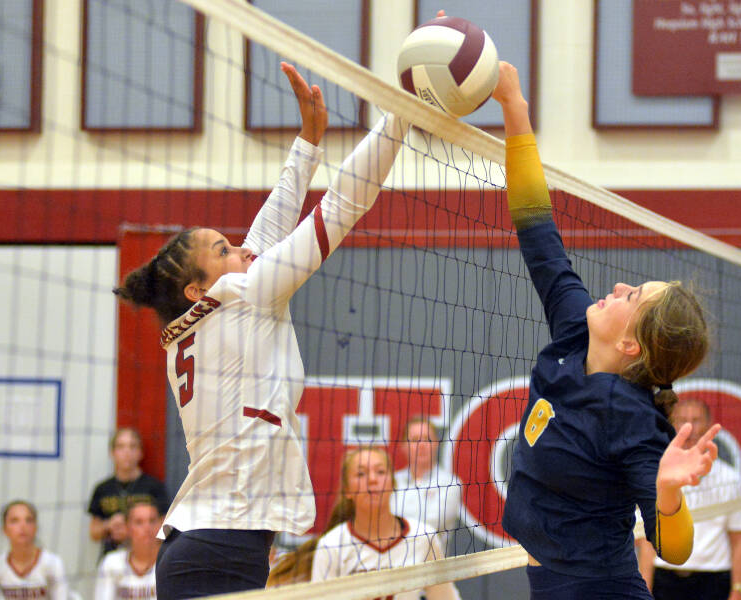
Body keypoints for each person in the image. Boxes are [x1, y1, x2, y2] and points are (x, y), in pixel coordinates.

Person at [113, 61, 409, 599]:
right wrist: (400, 115)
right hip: (218, 547)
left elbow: (263, 236)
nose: (243, 249)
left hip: (206, 542)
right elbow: (343, 203)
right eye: (223, 250)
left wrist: (309, 143)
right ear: (196, 288)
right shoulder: (243, 296)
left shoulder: (203, 317)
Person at [492, 61, 721, 600]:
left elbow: (674, 550)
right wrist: (514, 109)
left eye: (632, 296)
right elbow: (538, 231)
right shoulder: (577, 331)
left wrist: (668, 494)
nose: (618, 287)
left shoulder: (630, 419)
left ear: (630, 345)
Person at [635, 398, 741, 600]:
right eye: (682, 420)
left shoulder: (730, 478)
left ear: (708, 424)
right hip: (665, 579)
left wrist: (738, 591)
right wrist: (644, 590)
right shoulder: (658, 476)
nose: (689, 427)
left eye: (696, 420)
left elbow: (739, 541)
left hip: (713, 580)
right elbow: (647, 543)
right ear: (672, 426)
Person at [306, 447, 460, 599]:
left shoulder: (423, 537)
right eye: (361, 474)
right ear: (347, 490)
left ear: (393, 484)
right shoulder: (331, 545)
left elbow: (444, 597)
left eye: (380, 472)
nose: (372, 479)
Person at [88, 427, 170, 557]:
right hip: (111, 558)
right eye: (121, 446)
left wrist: (133, 530)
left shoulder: (154, 486)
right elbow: (93, 533)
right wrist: (109, 525)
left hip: (147, 558)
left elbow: (166, 529)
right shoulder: (102, 489)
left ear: (140, 452)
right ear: (112, 453)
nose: (127, 452)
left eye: (132, 446)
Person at [390, 416, 461, 554]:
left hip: (431, 562)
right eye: (415, 440)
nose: (421, 445)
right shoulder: (391, 481)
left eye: (427, 439)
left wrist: (395, 522)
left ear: (436, 443)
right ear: (404, 445)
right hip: (393, 560)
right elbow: (382, 522)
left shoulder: (450, 483)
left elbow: (432, 525)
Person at [0, 500, 68, 600]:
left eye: (28, 520)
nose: (22, 526)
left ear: (36, 527)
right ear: (4, 529)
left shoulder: (52, 563)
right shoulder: (0, 565)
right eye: (14, 521)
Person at [95, 501, 162, 600]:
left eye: (152, 521)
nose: (147, 528)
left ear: (161, 524)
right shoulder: (111, 563)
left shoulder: (173, 563)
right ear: (128, 528)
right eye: (139, 522)